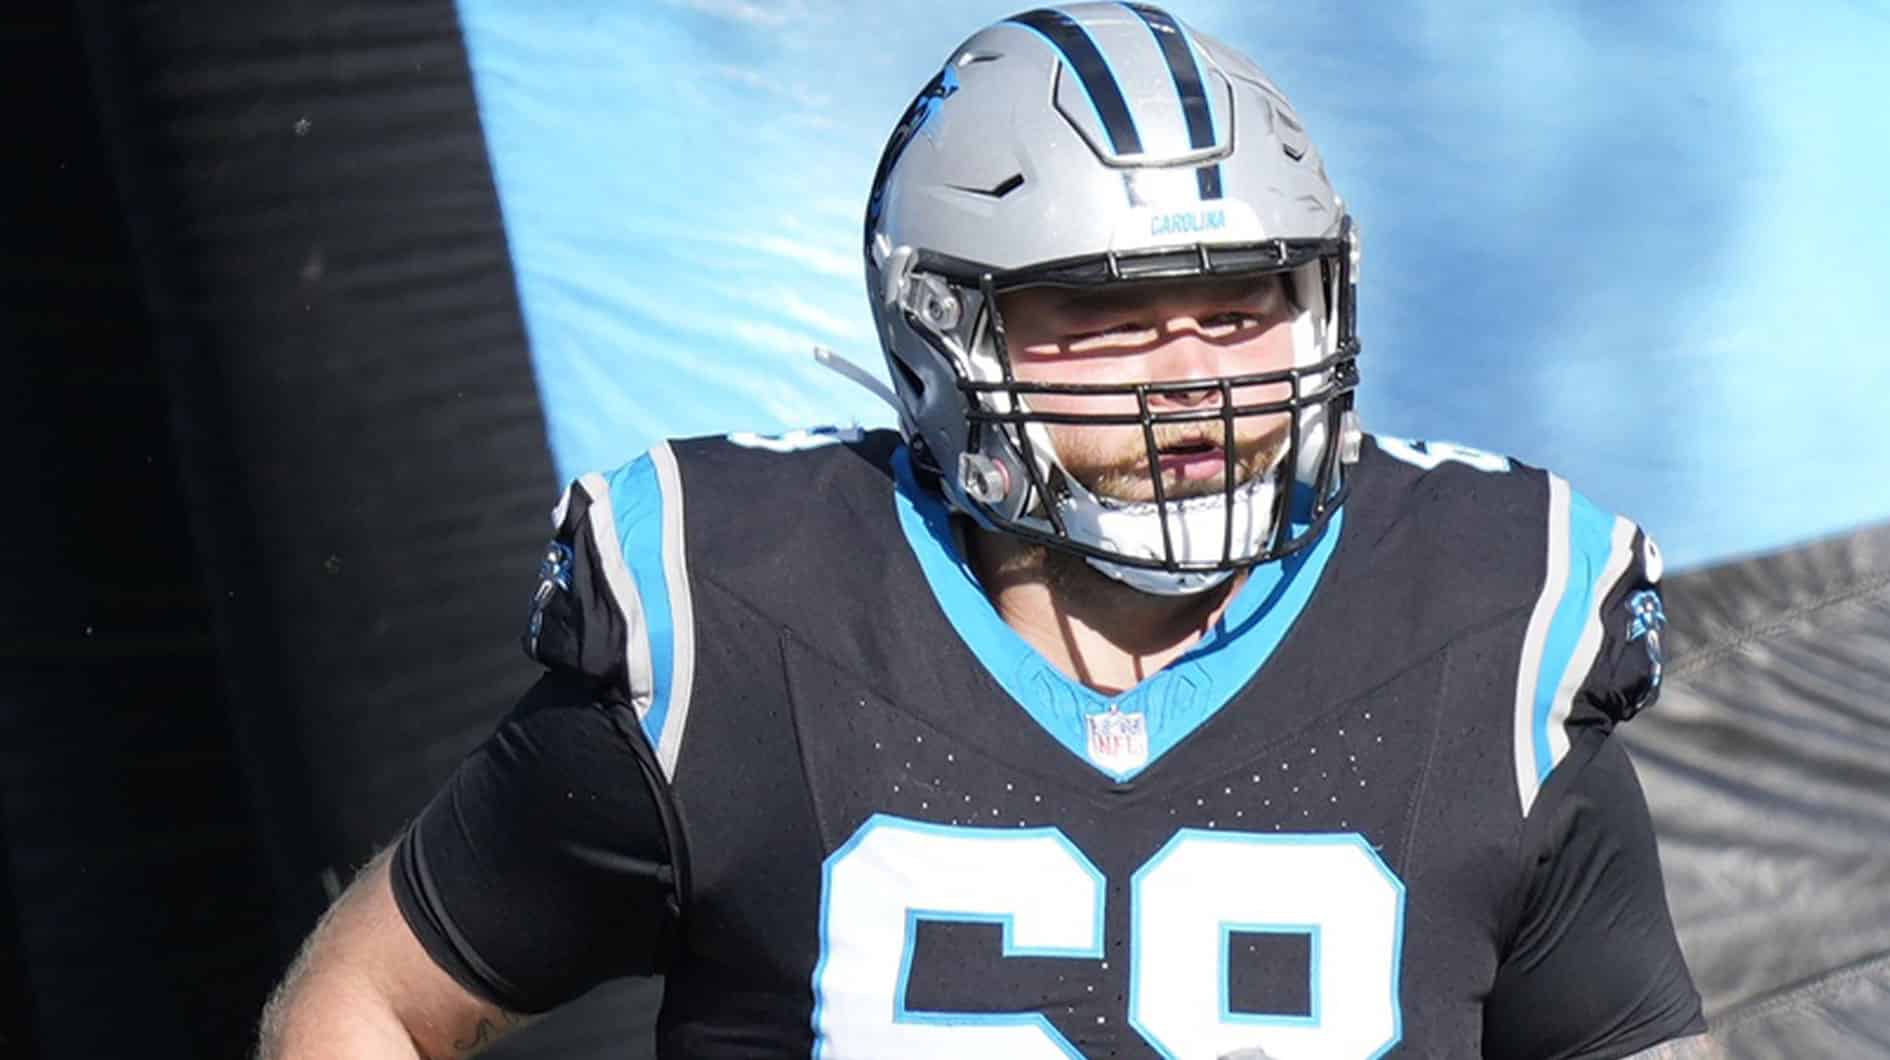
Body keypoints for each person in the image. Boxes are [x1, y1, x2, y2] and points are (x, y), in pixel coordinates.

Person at [260, 5, 1713, 1058]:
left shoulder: (1478, 611)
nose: (1191, 374)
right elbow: (373, 1001)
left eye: (1240, 304)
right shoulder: (750, 613)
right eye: (1101, 316)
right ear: (940, 333)